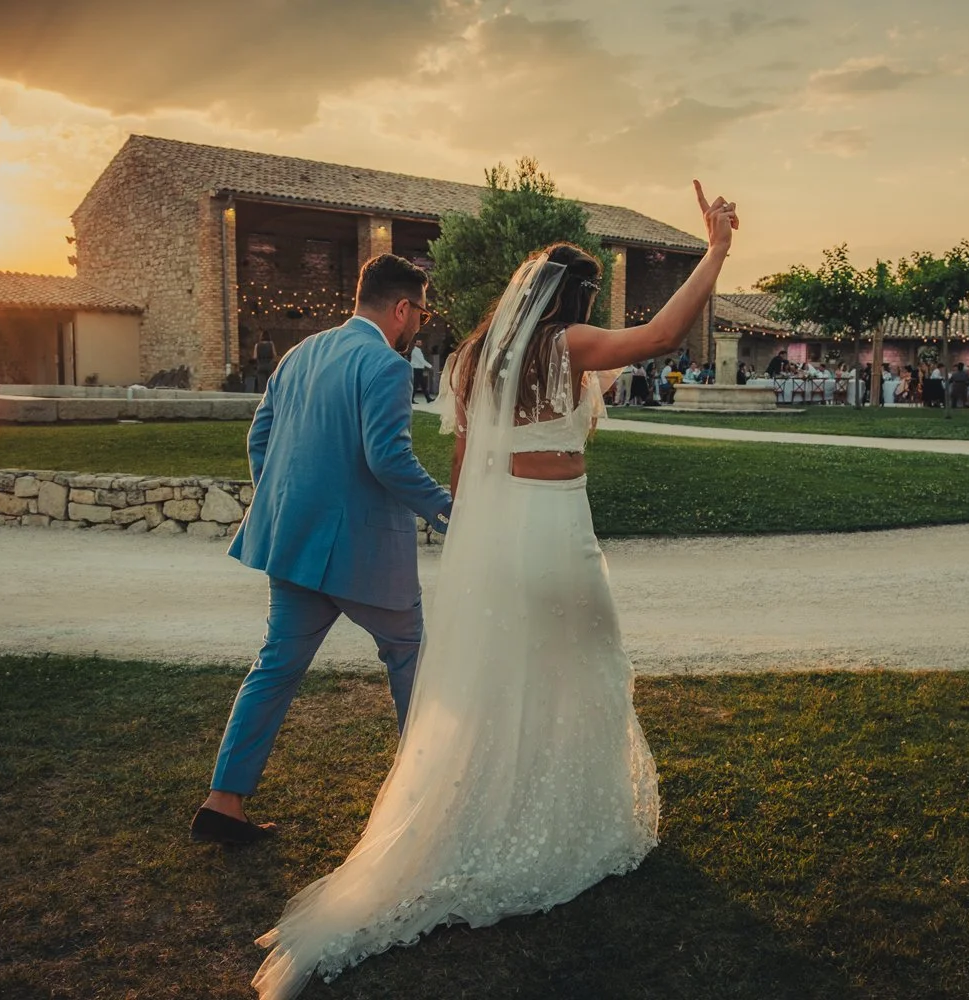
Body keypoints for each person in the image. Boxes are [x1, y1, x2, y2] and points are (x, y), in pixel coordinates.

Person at [250, 182, 740, 998]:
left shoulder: (477, 358)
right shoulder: (565, 344)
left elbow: (461, 464)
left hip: (499, 533)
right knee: (585, 670)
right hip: (557, 532)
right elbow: (659, 335)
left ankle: (496, 808)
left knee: (505, 681)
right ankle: (569, 821)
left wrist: (471, 537)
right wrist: (716, 250)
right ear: (574, 298)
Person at [192, 255, 453, 849]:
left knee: (275, 666)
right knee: (411, 657)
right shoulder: (386, 366)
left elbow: (259, 438)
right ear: (403, 309)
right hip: (365, 552)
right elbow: (388, 457)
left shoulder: (299, 354)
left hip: (295, 545)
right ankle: (428, 797)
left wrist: (289, 502)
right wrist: (446, 511)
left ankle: (223, 801)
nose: (419, 324)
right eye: (421, 313)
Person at [409, 336, 434, 403]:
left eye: (420, 342)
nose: (419, 343)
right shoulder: (416, 351)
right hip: (417, 369)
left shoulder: (418, 350)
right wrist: (430, 366)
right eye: (418, 342)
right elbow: (422, 360)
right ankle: (411, 399)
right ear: (415, 344)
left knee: (422, 384)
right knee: (416, 385)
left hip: (419, 370)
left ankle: (428, 398)